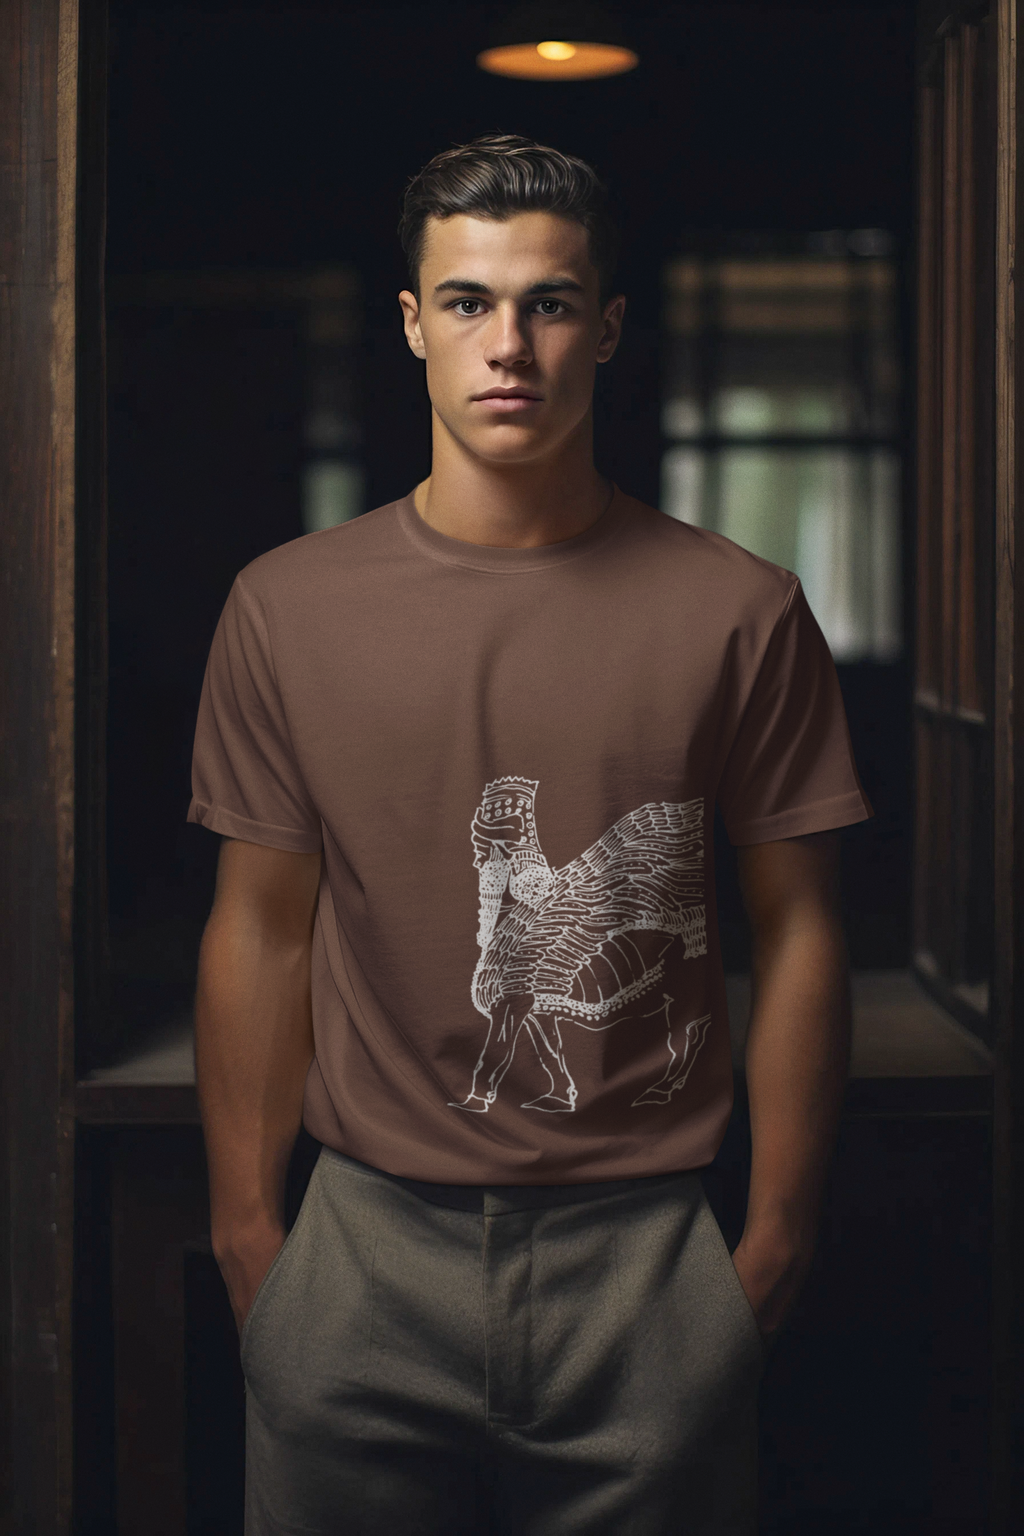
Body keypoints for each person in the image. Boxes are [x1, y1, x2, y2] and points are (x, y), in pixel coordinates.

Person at [189, 133, 871, 1535]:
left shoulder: (739, 610)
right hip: (360, 1261)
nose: (510, 344)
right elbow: (262, 925)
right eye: (468, 302)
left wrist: (774, 1241)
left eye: (550, 303)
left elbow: (801, 926)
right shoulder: (286, 607)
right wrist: (254, 1242)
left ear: (606, 326)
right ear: (412, 324)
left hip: (645, 1269)